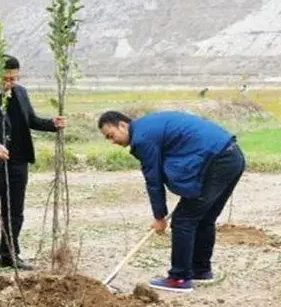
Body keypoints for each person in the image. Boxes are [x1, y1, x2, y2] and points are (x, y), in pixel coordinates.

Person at [97, 110, 246, 293]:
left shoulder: (142, 138)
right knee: (204, 218)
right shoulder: (149, 127)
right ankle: (201, 271)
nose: (113, 141)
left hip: (217, 162)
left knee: (184, 220)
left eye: (111, 136)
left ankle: (179, 278)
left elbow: (154, 179)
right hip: (232, 158)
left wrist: (159, 217)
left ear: (122, 125)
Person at [0, 54, 66, 275]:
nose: (11, 83)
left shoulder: (21, 93)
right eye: (7, 79)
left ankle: (9, 256)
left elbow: (30, 120)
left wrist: (52, 124)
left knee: (15, 211)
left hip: (18, 161)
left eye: (15, 78)